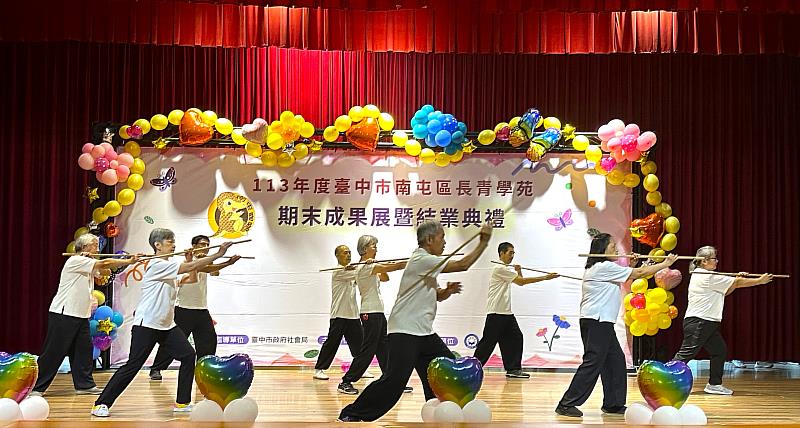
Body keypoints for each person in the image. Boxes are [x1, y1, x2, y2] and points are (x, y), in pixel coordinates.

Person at [338, 220, 493, 422]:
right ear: (429, 240)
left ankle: (441, 414)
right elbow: (463, 265)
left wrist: (446, 291)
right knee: (394, 381)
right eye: (441, 238)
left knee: (447, 370)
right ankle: (352, 412)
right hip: (405, 330)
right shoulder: (422, 259)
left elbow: (435, 295)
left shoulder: (427, 262)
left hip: (423, 332)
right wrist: (484, 241)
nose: (444, 243)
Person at [91, 229, 233, 417]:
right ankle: (101, 404)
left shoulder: (168, 265)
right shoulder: (156, 264)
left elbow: (190, 278)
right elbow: (188, 269)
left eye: (173, 240)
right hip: (147, 324)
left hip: (167, 325)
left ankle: (182, 403)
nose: (173, 244)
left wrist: (189, 260)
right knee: (133, 365)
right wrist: (218, 254)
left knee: (188, 356)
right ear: (157, 245)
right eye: (169, 241)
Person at [555, 233, 678, 418]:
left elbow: (631, 274)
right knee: (593, 363)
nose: (616, 249)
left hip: (601, 322)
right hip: (596, 321)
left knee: (615, 362)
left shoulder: (604, 268)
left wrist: (634, 266)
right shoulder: (603, 266)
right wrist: (665, 264)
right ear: (601, 250)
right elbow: (640, 274)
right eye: (612, 246)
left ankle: (613, 404)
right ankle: (567, 403)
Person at [31, 234, 140, 396]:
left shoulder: (87, 262)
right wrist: (128, 261)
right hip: (64, 313)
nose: (98, 248)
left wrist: (121, 261)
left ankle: (84, 385)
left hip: (81, 315)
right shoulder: (76, 261)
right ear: (84, 247)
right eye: (95, 245)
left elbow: (103, 270)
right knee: (54, 351)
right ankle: (36, 387)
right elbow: (105, 262)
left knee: (83, 350)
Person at [673, 245, 773, 395]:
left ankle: (714, 384)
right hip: (700, 322)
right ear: (704, 261)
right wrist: (760, 280)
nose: (717, 261)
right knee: (685, 355)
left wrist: (737, 278)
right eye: (714, 258)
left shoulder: (704, 275)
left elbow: (727, 290)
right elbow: (736, 284)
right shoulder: (706, 276)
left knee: (719, 351)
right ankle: (665, 379)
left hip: (706, 322)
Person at [149, 235, 241, 380]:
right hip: (184, 309)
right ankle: (156, 368)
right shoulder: (186, 261)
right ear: (194, 245)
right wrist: (227, 262)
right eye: (202, 244)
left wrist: (215, 258)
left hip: (201, 309)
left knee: (208, 341)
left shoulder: (204, 259)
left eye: (207, 244)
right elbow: (205, 268)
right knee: (172, 342)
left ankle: (205, 368)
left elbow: (214, 271)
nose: (205, 247)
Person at [473, 242, 559, 378]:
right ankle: (472, 369)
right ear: (501, 253)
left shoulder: (506, 269)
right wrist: (545, 277)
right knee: (487, 343)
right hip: (496, 312)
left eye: (513, 253)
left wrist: (518, 271)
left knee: (515, 337)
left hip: (506, 313)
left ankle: (513, 369)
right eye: (510, 253)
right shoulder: (500, 268)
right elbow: (521, 282)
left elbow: (520, 280)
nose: (512, 256)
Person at [337, 235, 409, 395]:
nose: (376, 249)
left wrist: (377, 264)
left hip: (378, 312)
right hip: (370, 312)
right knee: (368, 350)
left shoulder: (372, 266)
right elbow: (395, 267)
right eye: (373, 246)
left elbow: (385, 277)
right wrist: (412, 261)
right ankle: (346, 381)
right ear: (364, 249)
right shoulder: (364, 267)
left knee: (384, 347)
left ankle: (391, 380)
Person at [313, 245, 363, 381]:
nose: (348, 255)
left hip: (352, 314)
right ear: (337, 256)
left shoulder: (350, 271)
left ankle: (360, 369)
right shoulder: (338, 271)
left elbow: (360, 277)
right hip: (339, 314)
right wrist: (364, 263)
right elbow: (361, 273)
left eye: (349, 252)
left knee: (359, 344)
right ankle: (319, 369)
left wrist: (359, 266)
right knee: (332, 343)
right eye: (345, 253)